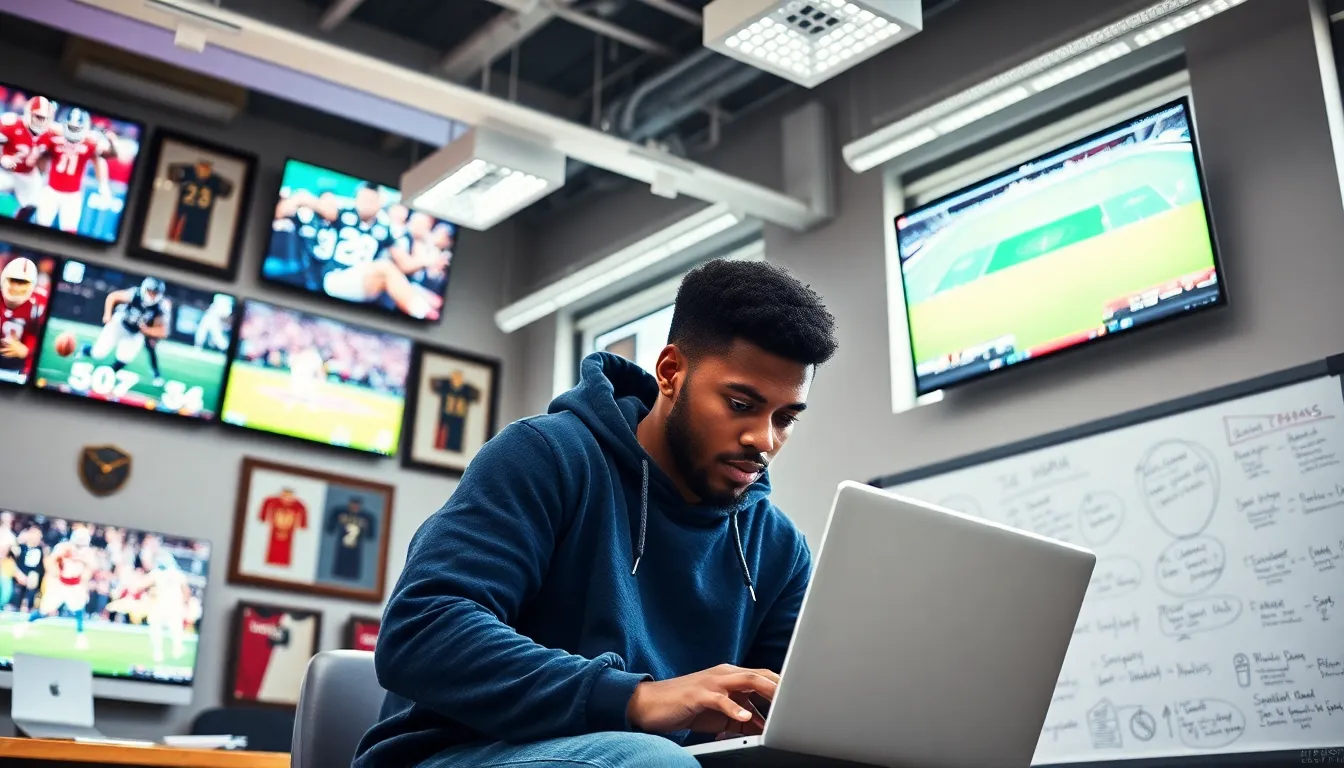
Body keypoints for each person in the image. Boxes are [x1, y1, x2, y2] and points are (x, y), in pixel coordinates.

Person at [355, 259, 839, 768]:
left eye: (785, 418)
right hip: (457, 753)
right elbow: (421, 632)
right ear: (672, 373)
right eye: (741, 404)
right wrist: (636, 699)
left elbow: (786, 722)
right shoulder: (546, 455)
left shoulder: (780, 549)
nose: (764, 440)